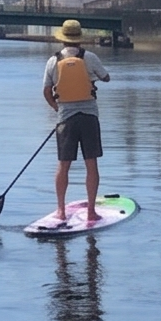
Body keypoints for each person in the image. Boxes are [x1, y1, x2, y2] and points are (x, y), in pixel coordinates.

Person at [41, 18, 110, 227]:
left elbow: (46, 91)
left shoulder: (53, 61)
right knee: (91, 164)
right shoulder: (90, 57)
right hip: (89, 117)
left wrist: (57, 107)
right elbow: (106, 78)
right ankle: (91, 212)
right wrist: (91, 80)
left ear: (63, 39)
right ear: (79, 39)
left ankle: (61, 210)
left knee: (63, 165)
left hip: (65, 119)